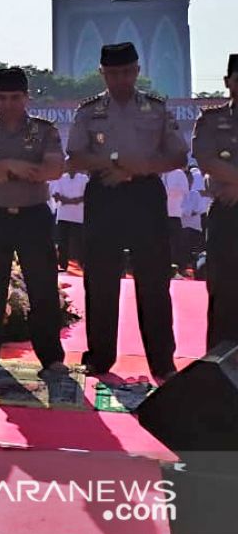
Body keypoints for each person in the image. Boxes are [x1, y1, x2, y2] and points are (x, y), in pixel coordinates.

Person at [67, 42, 186, 383]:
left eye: (126, 72)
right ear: (102, 73)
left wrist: (138, 169)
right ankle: (100, 356)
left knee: (154, 279)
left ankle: (162, 360)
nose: (120, 79)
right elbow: (75, 156)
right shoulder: (89, 111)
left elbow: (178, 155)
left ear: (136, 71)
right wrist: (116, 164)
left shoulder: (156, 108)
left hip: (145, 194)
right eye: (113, 73)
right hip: (104, 193)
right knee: (101, 279)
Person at [0, 67, 67, 372]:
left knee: (43, 287)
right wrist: (11, 165)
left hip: (34, 216)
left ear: (26, 97)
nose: (9, 103)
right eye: (3, 97)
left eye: (15, 97)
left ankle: (51, 357)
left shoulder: (44, 130)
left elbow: (53, 168)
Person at [193, 53, 238, 349]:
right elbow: (205, 158)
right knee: (222, 287)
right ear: (227, 82)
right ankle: (221, 356)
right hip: (227, 211)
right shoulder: (211, 119)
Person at [51, 170, 88, 271]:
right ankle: (63, 265)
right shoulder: (60, 178)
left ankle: (82, 264)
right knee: (62, 241)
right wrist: (68, 201)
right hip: (63, 215)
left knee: (80, 241)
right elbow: (55, 194)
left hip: (79, 215)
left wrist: (74, 201)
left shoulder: (84, 178)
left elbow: (87, 194)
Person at [162, 166, 191, 275]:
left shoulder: (178, 173)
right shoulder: (162, 173)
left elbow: (184, 191)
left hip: (174, 214)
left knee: (174, 244)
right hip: (162, 214)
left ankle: (176, 269)